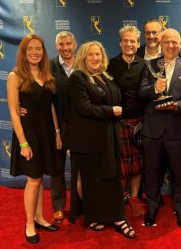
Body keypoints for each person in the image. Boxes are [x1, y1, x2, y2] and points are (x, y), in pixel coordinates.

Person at [65, 41, 136, 239]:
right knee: (92, 181)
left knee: (111, 179)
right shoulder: (78, 77)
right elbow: (84, 107)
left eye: (98, 54)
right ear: (83, 58)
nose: (95, 58)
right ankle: (95, 216)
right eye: (90, 55)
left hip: (107, 137)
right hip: (88, 140)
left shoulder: (104, 76)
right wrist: (110, 111)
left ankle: (116, 216)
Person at [140, 28, 181, 229]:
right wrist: (154, 89)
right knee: (152, 172)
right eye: (167, 42)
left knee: (180, 174)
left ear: (180, 44)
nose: (171, 46)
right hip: (152, 131)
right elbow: (141, 93)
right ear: (161, 44)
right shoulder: (149, 66)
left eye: (175, 42)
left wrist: (178, 106)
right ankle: (152, 208)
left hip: (178, 130)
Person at [7, 34, 61, 244]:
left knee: (40, 178)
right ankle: (30, 223)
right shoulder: (15, 76)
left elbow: (51, 107)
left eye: (38, 48)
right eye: (30, 49)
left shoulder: (46, 74)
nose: (34, 52)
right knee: (33, 179)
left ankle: (39, 217)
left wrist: (56, 132)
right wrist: (22, 143)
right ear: (23, 51)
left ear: (43, 52)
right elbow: (13, 111)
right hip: (28, 133)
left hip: (46, 131)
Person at [107, 25, 146, 217]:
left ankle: (135, 198)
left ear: (138, 44)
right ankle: (121, 198)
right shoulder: (110, 64)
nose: (129, 44)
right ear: (121, 43)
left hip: (139, 121)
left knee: (137, 165)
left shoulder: (144, 64)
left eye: (133, 41)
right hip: (118, 122)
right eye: (126, 41)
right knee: (122, 165)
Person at [49, 31, 77, 224]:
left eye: (68, 44)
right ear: (57, 46)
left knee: (80, 167)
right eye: (61, 44)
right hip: (56, 124)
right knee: (57, 167)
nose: (65, 48)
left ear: (74, 44)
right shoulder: (48, 66)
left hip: (81, 125)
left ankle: (78, 205)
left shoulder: (83, 63)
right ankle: (58, 207)